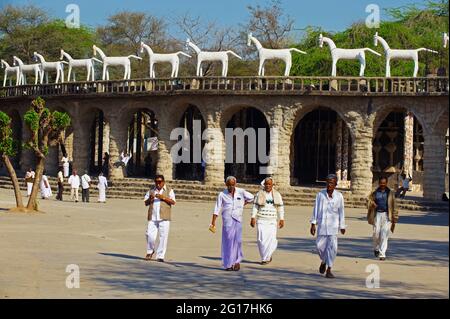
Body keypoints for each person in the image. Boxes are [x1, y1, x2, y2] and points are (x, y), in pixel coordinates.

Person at [210, 176, 254, 271]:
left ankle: (237, 261)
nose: (231, 187)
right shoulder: (222, 194)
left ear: (235, 184)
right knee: (228, 242)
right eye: (229, 185)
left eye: (232, 185)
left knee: (237, 241)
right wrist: (213, 222)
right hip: (227, 220)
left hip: (237, 219)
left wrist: (243, 203)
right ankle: (228, 264)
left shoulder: (241, 192)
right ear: (226, 185)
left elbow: (251, 197)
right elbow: (217, 208)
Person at [310, 174, 346, 279]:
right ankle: (324, 261)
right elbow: (315, 209)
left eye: (331, 183)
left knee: (332, 248)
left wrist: (342, 225)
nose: (329, 185)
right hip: (322, 225)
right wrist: (313, 223)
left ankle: (329, 269)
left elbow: (341, 212)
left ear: (335, 184)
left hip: (333, 227)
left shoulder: (339, 196)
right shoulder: (320, 195)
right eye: (327, 182)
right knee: (320, 247)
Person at [251, 177, 285, 265]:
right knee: (260, 240)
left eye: (269, 184)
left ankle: (265, 258)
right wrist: (253, 217)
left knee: (271, 240)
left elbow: (280, 207)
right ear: (264, 184)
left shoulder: (277, 194)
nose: (268, 185)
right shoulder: (259, 194)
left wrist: (281, 218)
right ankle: (265, 256)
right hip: (261, 220)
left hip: (272, 220)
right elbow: (255, 206)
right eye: (266, 184)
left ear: (272, 185)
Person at [144, 175, 176, 262]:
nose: (158, 184)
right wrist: (150, 199)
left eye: (160, 182)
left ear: (163, 182)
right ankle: (150, 250)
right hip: (153, 216)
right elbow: (145, 203)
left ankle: (160, 255)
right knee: (149, 234)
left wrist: (163, 198)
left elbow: (173, 202)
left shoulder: (169, 190)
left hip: (164, 217)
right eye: (156, 182)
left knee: (163, 236)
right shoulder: (151, 190)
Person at [368, 176, 399, 261]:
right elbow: (368, 201)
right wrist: (372, 204)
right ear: (379, 183)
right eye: (381, 183)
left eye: (384, 183)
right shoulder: (374, 192)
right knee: (376, 233)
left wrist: (395, 216)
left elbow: (394, 205)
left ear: (386, 183)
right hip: (377, 214)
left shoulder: (390, 193)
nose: (382, 185)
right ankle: (376, 248)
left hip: (386, 215)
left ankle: (382, 254)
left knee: (384, 235)